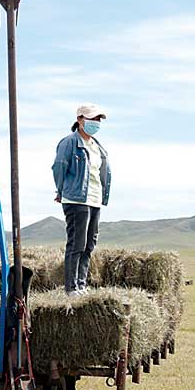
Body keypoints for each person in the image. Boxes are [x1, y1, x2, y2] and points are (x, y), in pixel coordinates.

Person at [51, 103, 112, 293]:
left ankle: (82, 284)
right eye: (92, 119)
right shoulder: (69, 142)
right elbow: (59, 167)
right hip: (76, 200)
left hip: (94, 199)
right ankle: (71, 288)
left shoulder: (97, 147)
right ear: (79, 120)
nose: (95, 123)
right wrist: (61, 191)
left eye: (98, 120)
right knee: (76, 243)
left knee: (89, 244)